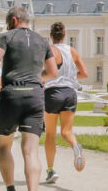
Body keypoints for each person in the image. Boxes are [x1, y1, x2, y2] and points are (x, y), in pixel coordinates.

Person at [0, 7, 58, 191]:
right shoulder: (42, 41)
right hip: (35, 95)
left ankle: (11, 188)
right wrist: (36, 77)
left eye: (8, 22)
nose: (8, 25)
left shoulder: (6, 37)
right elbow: (52, 72)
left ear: (15, 20)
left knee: (3, 146)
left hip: (11, 95)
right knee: (31, 152)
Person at [43, 22, 88, 183]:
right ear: (64, 35)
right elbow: (84, 73)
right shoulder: (72, 51)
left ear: (51, 36)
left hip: (53, 93)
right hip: (70, 93)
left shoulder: (50, 50)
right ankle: (76, 146)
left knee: (50, 134)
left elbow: (48, 72)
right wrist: (71, 78)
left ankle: (50, 170)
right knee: (66, 132)